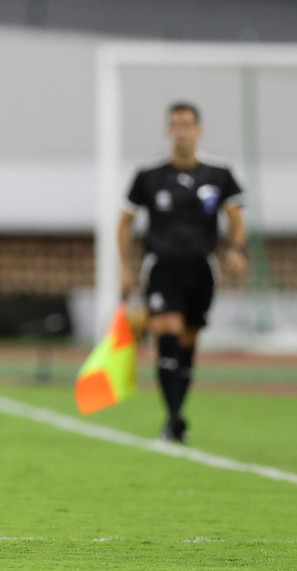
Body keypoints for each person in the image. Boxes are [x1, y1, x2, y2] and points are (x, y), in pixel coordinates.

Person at [118, 102, 247, 443]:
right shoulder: (149, 177)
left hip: (201, 269)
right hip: (162, 267)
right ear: (168, 130)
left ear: (198, 130)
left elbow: (236, 216)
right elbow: (125, 223)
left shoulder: (219, 174)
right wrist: (126, 268)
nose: (182, 131)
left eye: (188, 124)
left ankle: (175, 415)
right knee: (168, 336)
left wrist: (235, 249)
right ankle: (175, 418)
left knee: (188, 345)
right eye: (175, 125)